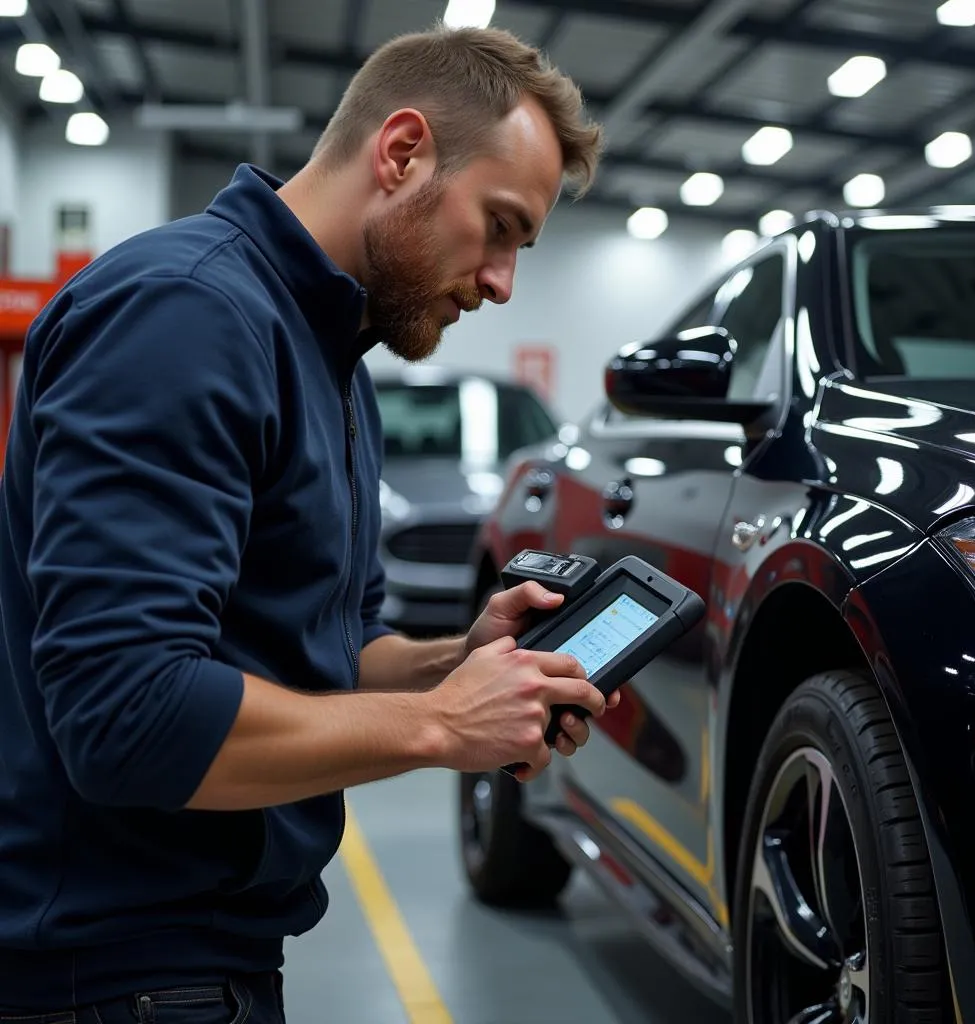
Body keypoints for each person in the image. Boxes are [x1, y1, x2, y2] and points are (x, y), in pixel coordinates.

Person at [0, 22, 607, 1023]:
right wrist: (440, 726)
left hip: (204, 957)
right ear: (401, 151)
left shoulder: (327, 354)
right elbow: (126, 713)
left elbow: (319, 650)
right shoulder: (185, 315)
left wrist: (456, 662)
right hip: (106, 973)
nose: (502, 282)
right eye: (499, 226)